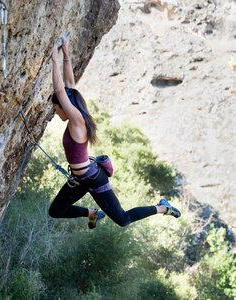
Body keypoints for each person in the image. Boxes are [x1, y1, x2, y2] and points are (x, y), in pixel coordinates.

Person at [49, 38, 181, 229]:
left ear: (64, 106)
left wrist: (54, 59)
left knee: (123, 219)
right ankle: (93, 213)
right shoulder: (76, 118)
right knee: (56, 210)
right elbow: (69, 85)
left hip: (93, 179)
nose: (56, 112)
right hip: (80, 179)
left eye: (56, 108)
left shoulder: (77, 122)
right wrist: (66, 53)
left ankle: (162, 207)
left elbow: (60, 90)